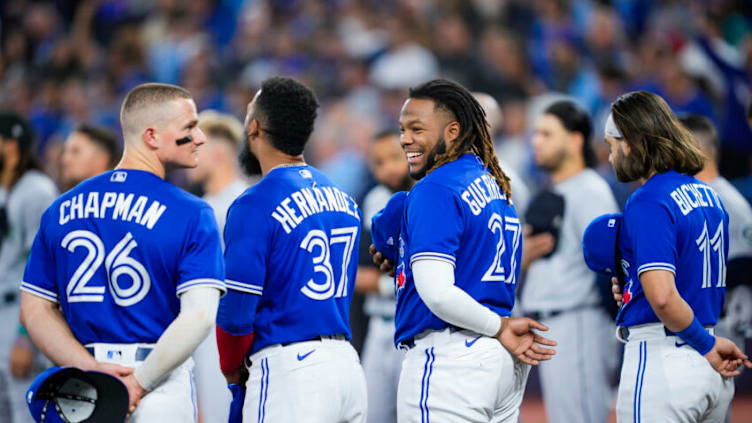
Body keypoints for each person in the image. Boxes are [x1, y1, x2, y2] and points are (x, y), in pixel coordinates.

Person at [19, 83, 226, 421]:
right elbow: (199, 317)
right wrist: (138, 384)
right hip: (157, 381)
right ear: (152, 136)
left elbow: (36, 309)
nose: (200, 137)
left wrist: (90, 369)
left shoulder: (60, 208)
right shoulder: (191, 211)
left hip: (84, 388)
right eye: (189, 127)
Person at [371, 78, 556, 422]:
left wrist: (499, 327)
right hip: (497, 360)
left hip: (453, 357)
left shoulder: (436, 188)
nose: (405, 139)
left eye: (416, 128)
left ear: (452, 132)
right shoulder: (497, 186)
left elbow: (438, 294)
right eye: (402, 129)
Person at [215, 76, 367, 422]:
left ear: (254, 128)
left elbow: (236, 310)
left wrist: (231, 368)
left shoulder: (254, 202)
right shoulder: (343, 198)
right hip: (346, 366)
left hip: (291, 373)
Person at [604, 91, 751, 422]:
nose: (610, 156)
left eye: (612, 145)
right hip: (709, 359)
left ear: (631, 142)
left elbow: (663, 297)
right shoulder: (708, 194)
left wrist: (706, 346)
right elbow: (684, 275)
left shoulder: (649, 200)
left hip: (668, 358)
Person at [520, 100, 619, 423]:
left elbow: (608, 267)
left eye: (547, 134)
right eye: (535, 134)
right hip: (556, 323)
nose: (537, 141)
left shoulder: (590, 190)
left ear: (576, 139)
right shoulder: (554, 190)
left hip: (579, 322)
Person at [680, 114, 752, 422]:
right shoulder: (701, 196)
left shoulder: (725, 199)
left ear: (695, 147)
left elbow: (745, 265)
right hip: (702, 330)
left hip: (718, 329)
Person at [185, 110, 250, 422]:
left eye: (198, 148)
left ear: (220, 154)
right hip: (202, 326)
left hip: (228, 329)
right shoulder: (205, 205)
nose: (190, 154)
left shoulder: (241, 201)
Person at [0, 112, 58, 423]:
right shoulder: (5, 188)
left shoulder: (37, 189)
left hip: (18, 314)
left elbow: (42, 267)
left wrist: (26, 335)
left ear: (10, 146)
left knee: (24, 411)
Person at [356, 129, 413, 423]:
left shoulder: (428, 195)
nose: (387, 168)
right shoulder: (374, 198)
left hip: (415, 328)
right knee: (371, 415)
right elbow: (362, 268)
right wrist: (382, 283)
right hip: (379, 326)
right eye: (378, 162)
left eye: (394, 157)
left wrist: (379, 283)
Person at [60, 124, 121, 190]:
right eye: (64, 151)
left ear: (101, 159)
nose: (65, 159)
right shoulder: (65, 199)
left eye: (75, 152)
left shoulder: (123, 197)